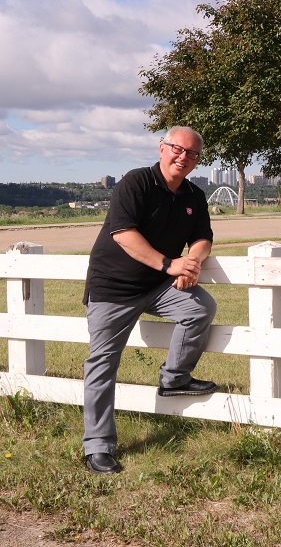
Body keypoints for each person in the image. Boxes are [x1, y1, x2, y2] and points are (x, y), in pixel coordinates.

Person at [82, 126, 218, 474]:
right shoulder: (135, 182)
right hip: (113, 288)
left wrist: (193, 262)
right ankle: (98, 447)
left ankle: (174, 378)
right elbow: (123, 233)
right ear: (162, 148)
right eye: (177, 149)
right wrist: (170, 264)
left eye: (192, 153)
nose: (183, 157)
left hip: (158, 286)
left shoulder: (194, 195)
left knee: (200, 307)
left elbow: (203, 237)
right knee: (103, 362)